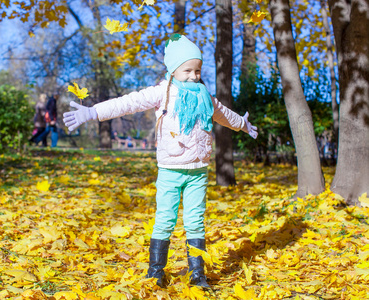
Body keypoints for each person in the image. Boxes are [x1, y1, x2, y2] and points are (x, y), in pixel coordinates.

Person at [62, 34, 258, 288]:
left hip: (198, 170)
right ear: (173, 69)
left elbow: (222, 114)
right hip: (170, 169)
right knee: (165, 219)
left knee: (195, 221)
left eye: (197, 70)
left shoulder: (204, 95)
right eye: (187, 70)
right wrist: (93, 112)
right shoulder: (162, 93)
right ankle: (156, 271)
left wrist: (242, 124)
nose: (194, 75)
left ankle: (197, 275)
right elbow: (128, 103)